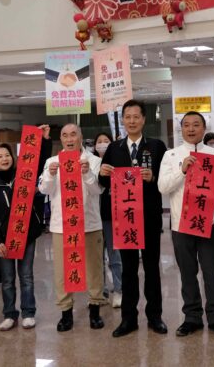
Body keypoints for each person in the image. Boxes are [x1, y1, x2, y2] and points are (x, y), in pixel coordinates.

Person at [98, 100, 169, 337]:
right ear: (122, 120)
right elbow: (103, 182)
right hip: (124, 218)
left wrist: (153, 177)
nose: (131, 121)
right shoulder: (114, 148)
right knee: (128, 270)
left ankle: (155, 316)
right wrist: (102, 173)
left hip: (149, 216)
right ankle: (128, 319)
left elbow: (166, 180)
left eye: (136, 117)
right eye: (127, 117)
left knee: (151, 267)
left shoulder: (157, 146)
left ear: (144, 119)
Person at [159, 111, 214, 338]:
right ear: (181, 129)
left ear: (204, 128)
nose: (191, 129)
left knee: (211, 272)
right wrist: (182, 170)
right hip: (181, 225)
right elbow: (163, 187)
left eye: (196, 125)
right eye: (186, 125)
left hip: (209, 223)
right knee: (187, 273)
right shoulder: (171, 155)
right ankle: (192, 317)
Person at [0, 126, 51, 332]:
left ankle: (28, 313)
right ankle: (9, 314)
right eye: (0, 156)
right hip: (4, 240)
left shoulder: (23, 176)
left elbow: (40, 162)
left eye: (7, 155)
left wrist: (44, 140)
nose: (4, 159)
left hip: (26, 234)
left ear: (13, 157)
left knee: (26, 276)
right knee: (8, 279)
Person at [40, 123, 105, 331]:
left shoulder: (94, 160)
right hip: (62, 226)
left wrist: (87, 173)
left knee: (94, 269)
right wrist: (50, 175)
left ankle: (95, 309)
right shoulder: (52, 162)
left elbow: (98, 190)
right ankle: (66, 312)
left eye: (73, 135)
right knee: (62, 271)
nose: (69, 139)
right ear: (61, 139)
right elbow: (44, 189)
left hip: (89, 224)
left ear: (81, 137)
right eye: (65, 135)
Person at [94, 131, 122, 308]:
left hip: (111, 216)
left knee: (114, 255)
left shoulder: (116, 162)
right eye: (99, 141)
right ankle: (101, 291)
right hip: (93, 217)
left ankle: (119, 289)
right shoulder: (90, 162)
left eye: (106, 141)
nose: (103, 143)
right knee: (97, 257)